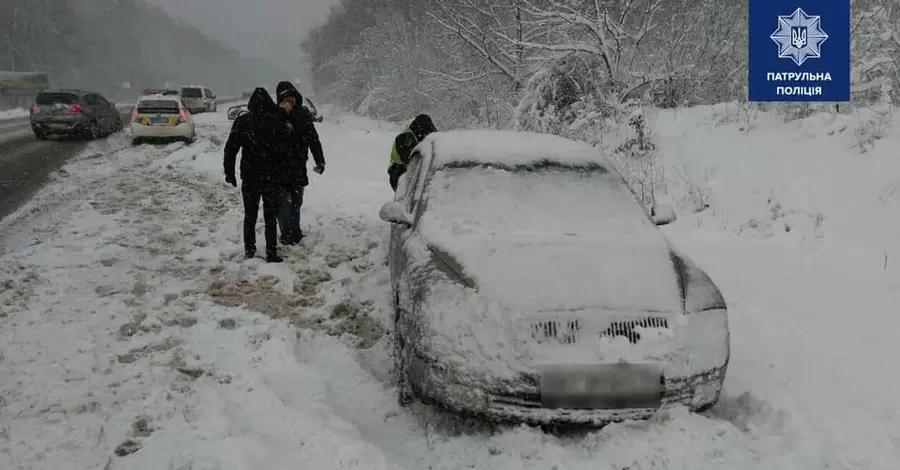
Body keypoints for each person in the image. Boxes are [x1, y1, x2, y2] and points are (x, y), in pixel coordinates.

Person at [223, 87, 289, 263]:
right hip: (271, 177)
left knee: (250, 216)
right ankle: (271, 252)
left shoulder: (243, 122)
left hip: (250, 176)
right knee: (270, 216)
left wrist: (230, 172)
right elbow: (285, 152)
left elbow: (231, 149)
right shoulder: (276, 122)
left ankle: (250, 249)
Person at [273, 81, 326, 245]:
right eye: (286, 98)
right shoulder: (274, 116)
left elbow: (313, 140)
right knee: (282, 203)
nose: (290, 101)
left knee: (296, 202)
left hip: (298, 167)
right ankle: (286, 233)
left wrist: (320, 161)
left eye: (292, 97)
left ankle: (295, 231)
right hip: (278, 168)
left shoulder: (303, 115)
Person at [389, 114, 436, 191]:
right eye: (426, 134)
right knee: (406, 196)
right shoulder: (404, 138)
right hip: (398, 171)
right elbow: (408, 159)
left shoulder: (421, 135)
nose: (427, 136)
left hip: (413, 172)